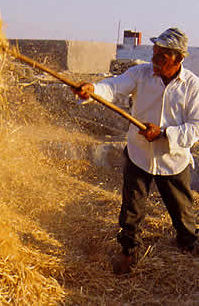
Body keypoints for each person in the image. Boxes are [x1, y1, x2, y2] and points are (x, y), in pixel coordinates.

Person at [73, 27, 199, 274]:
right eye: (154, 53)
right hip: (139, 155)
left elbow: (196, 127)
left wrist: (163, 133)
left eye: (162, 56)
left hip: (172, 159)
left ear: (179, 58)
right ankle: (128, 251)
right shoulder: (140, 73)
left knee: (183, 210)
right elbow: (114, 87)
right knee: (131, 209)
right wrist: (93, 89)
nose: (155, 60)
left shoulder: (193, 86)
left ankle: (188, 243)